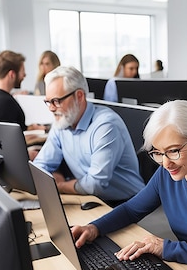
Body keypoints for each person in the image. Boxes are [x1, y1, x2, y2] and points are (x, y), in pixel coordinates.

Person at [71, 100, 187, 270]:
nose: (165, 163)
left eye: (173, 151)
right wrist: (94, 228)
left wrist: (165, 248)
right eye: (158, 153)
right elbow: (131, 210)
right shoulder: (167, 173)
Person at [33, 66, 145, 206]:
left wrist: (60, 185)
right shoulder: (62, 122)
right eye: (48, 102)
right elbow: (40, 167)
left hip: (128, 204)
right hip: (91, 199)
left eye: (56, 101)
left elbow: (95, 184)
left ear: (79, 96)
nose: (51, 108)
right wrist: (49, 180)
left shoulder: (105, 126)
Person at [0, 50, 45, 133]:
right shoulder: (4, 103)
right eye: (22, 71)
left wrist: (30, 128)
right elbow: (13, 139)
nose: (24, 75)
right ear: (12, 74)